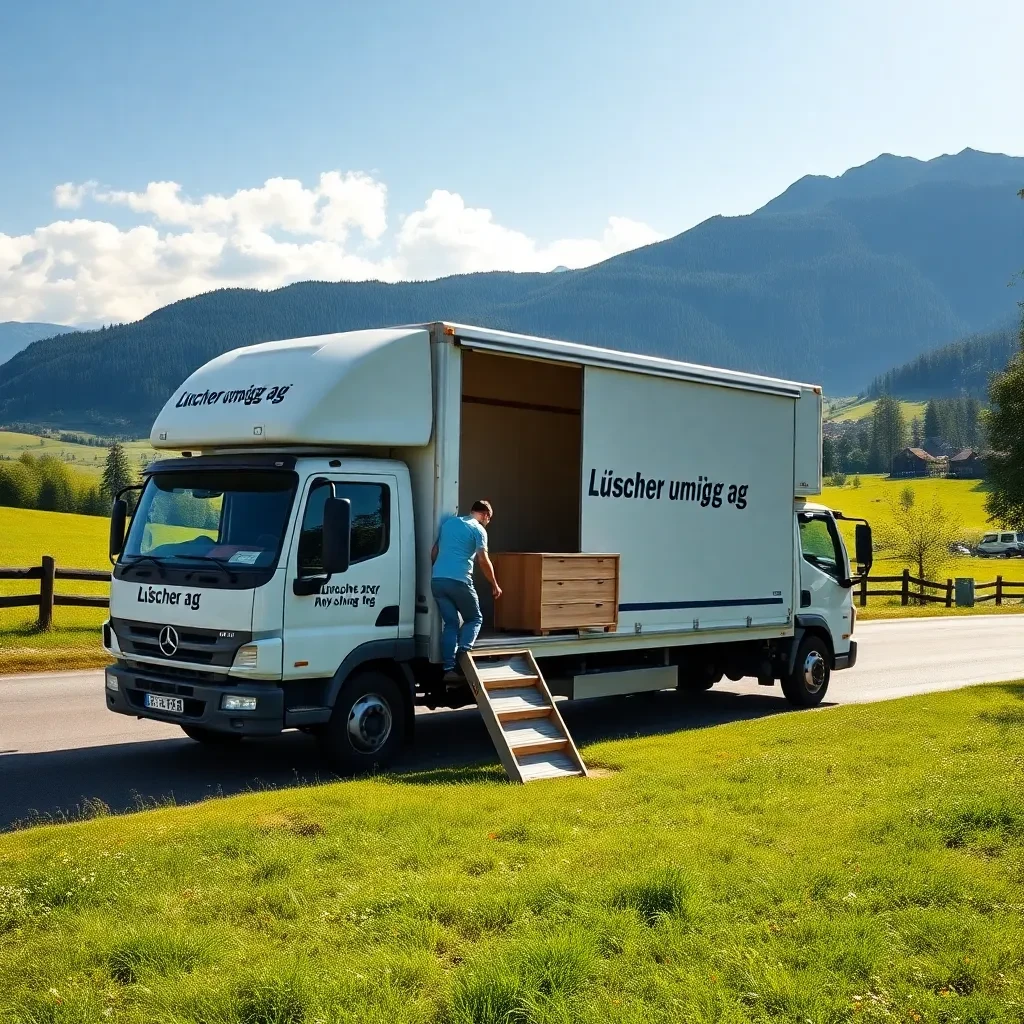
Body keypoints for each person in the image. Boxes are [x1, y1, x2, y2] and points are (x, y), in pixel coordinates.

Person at [431, 499, 502, 681]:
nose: (488, 522)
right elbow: (483, 560)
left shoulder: (449, 523)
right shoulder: (478, 529)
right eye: (489, 518)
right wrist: (494, 583)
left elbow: (434, 551)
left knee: (451, 623)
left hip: (438, 580)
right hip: (459, 581)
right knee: (474, 618)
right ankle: (463, 659)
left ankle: (449, 669)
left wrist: (441, 570)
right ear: (485, 514)